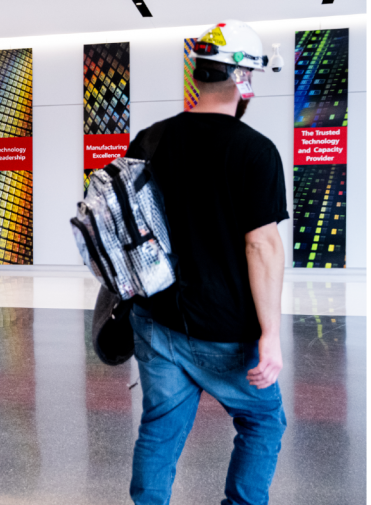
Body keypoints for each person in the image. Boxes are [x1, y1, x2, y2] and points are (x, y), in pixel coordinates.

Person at [125, 20, 288, 505]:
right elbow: (262, 247)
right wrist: (272, 336)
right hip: (227, 330)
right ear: (245, 81)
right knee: (262, 420)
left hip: (157, 318)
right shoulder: (255, 151)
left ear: (197, 76)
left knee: (159, 428)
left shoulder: (150, 141)